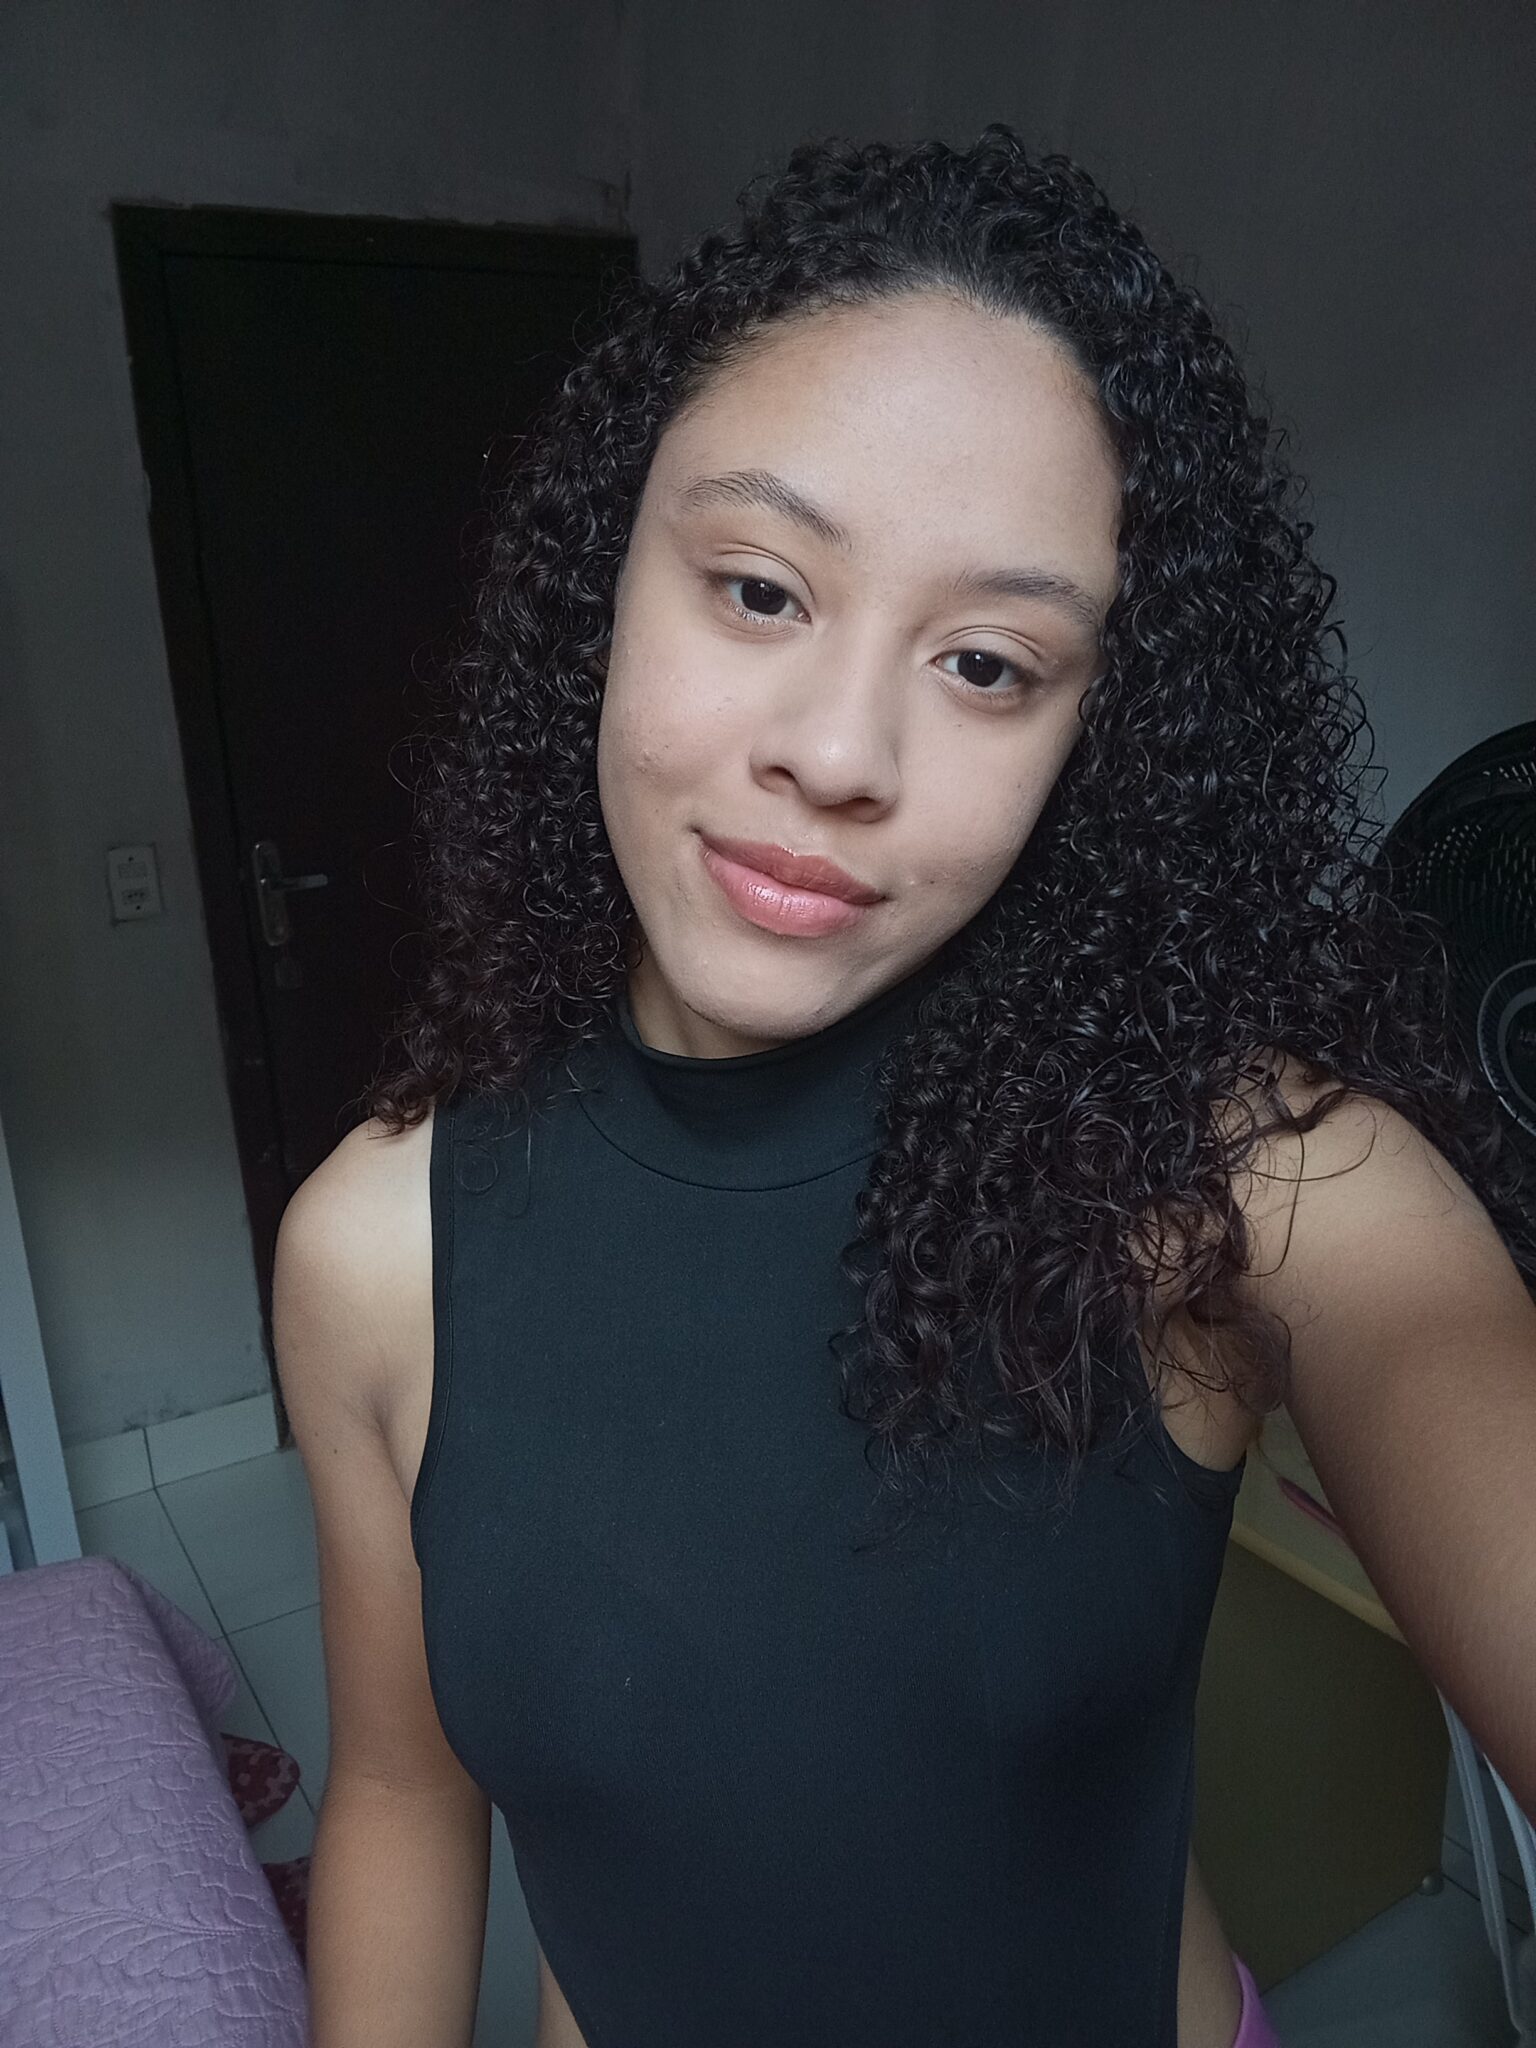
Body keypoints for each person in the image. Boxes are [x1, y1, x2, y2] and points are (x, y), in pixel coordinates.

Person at [273, 126, 1536, 2048]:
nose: (843, 752)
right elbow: (395, 1793)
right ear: (607, 578)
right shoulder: (375, 1250)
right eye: (760, 589)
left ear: (1098, 736)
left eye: (988, 664)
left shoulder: (1231, 1182)